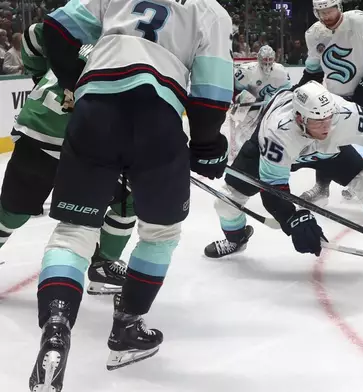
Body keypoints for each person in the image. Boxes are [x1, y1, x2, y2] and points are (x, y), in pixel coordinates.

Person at [29, 0, 233, 389]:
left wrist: (78, 81)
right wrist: (208, 146)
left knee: (74, 230)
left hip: (94, 111)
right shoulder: (210, 9)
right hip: (158, 116)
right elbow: (210, 93)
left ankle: (56, 328)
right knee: (160, 233)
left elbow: (56, 29)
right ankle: (126, 330)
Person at [205, 81, 363, 260]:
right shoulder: (278, 133)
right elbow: (273, 189)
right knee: (225, 201)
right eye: (318, 121)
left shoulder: (344, 113)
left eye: (329, 118)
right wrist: (293, 219)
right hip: (275, 151)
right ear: (299, 118)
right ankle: (236, 238)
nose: (326, 127)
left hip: (326, 151)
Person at [1, 23, 135, 295]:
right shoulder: (131, 52)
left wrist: (40, 74)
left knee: (12, 212)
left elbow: (33, 32)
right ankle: (104, 266)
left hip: (36, 126)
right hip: (76, 140)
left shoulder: (80, 34)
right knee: (129, 200)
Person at [297, 0, 363, 206]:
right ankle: (322, 186)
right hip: (337, 99)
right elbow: (313, 72)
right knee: (325, 141)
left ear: (339, 7)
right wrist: (296, 91)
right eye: (321, 11)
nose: (326, 16)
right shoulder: (313, 34)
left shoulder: (362, 21)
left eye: (330, 10)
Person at [229, 45, 291, 159]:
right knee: (238, 123)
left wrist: (273, 99)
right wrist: (240, 101)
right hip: (248, 102)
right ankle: (235, 149)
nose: (267, 64)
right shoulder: (247, 71)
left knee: (266, 128)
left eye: (270, 60)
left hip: (269, 103)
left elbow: (287, 91)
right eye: (264, 60)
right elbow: (235, 90)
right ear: (258, 59)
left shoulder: (280, 71)